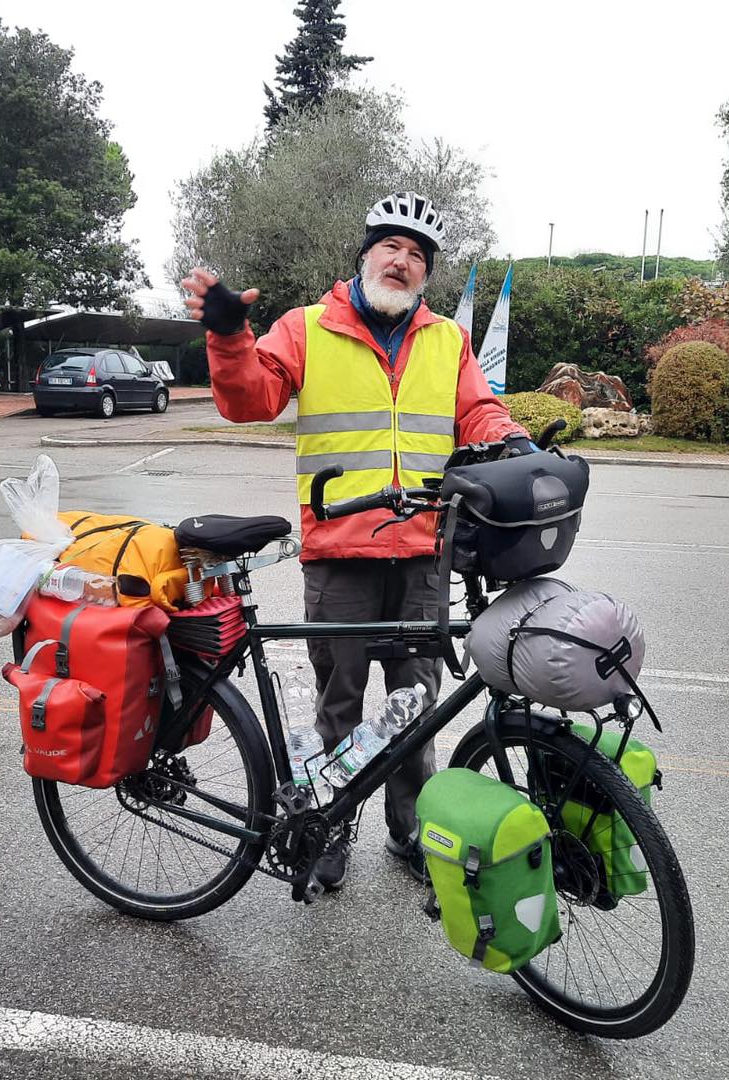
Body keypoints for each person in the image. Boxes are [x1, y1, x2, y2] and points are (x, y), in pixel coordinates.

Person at [181, 192, 536, 890]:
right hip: (342, 551)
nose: (402, 263)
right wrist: (228, 337)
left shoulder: (446, 339)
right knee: (339, 705)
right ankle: (333, 823)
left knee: (415, 704)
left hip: (424, 553)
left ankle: (411, 832)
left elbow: (477, 410)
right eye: (391, 248)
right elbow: (247, 398)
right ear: (365, 255)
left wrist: (512, 441)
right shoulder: (307, 327)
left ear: (426, 274)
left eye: (417, 256)